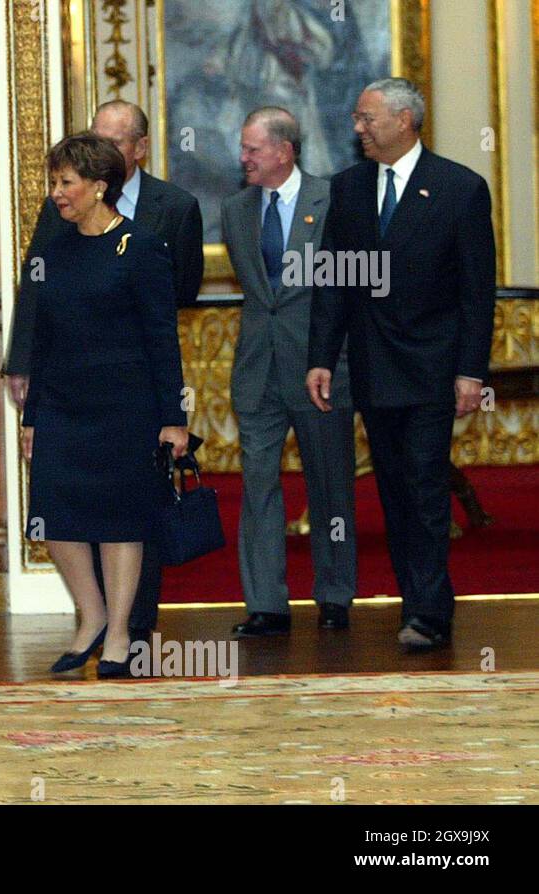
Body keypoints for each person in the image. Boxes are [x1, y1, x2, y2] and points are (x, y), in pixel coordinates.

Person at [5, 100, 202, 656]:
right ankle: (90, 616)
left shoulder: (141, 248)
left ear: (98, 186)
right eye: (54, 181)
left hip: (127, 406)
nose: (56, 193)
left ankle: (118, 632)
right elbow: (41, 335)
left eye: (65, 182)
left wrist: (173, 420)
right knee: (55, 515)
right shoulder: (55, 247)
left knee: (120, 520)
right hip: (64, 403)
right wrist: (33, 415)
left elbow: (163, 339)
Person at [307, 78, 496, 651]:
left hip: (434, 369)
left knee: (424, 483)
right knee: (393, 489)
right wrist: (320, 358)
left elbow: (476, 291)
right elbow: (334, 284)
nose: (357, 128)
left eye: (367, 118)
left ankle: (430, 611)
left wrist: (470, 371)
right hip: (372, 366)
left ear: (405, 121)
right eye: (358, 118)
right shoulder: (350, 188)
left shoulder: (459, 188)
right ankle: (418, 600)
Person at [222, 107, 356, 637]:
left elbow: (344, 288)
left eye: (253, 149)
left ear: (284, 150)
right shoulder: (235, 209)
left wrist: (330, 356)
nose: (244, 158)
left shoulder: (331, 201)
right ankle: (266, 604)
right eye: (244, 148)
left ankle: (335, 594)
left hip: (319, 367)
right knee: (257, 486)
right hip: (257, 369)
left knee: (330, 485)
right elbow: (261, 295)